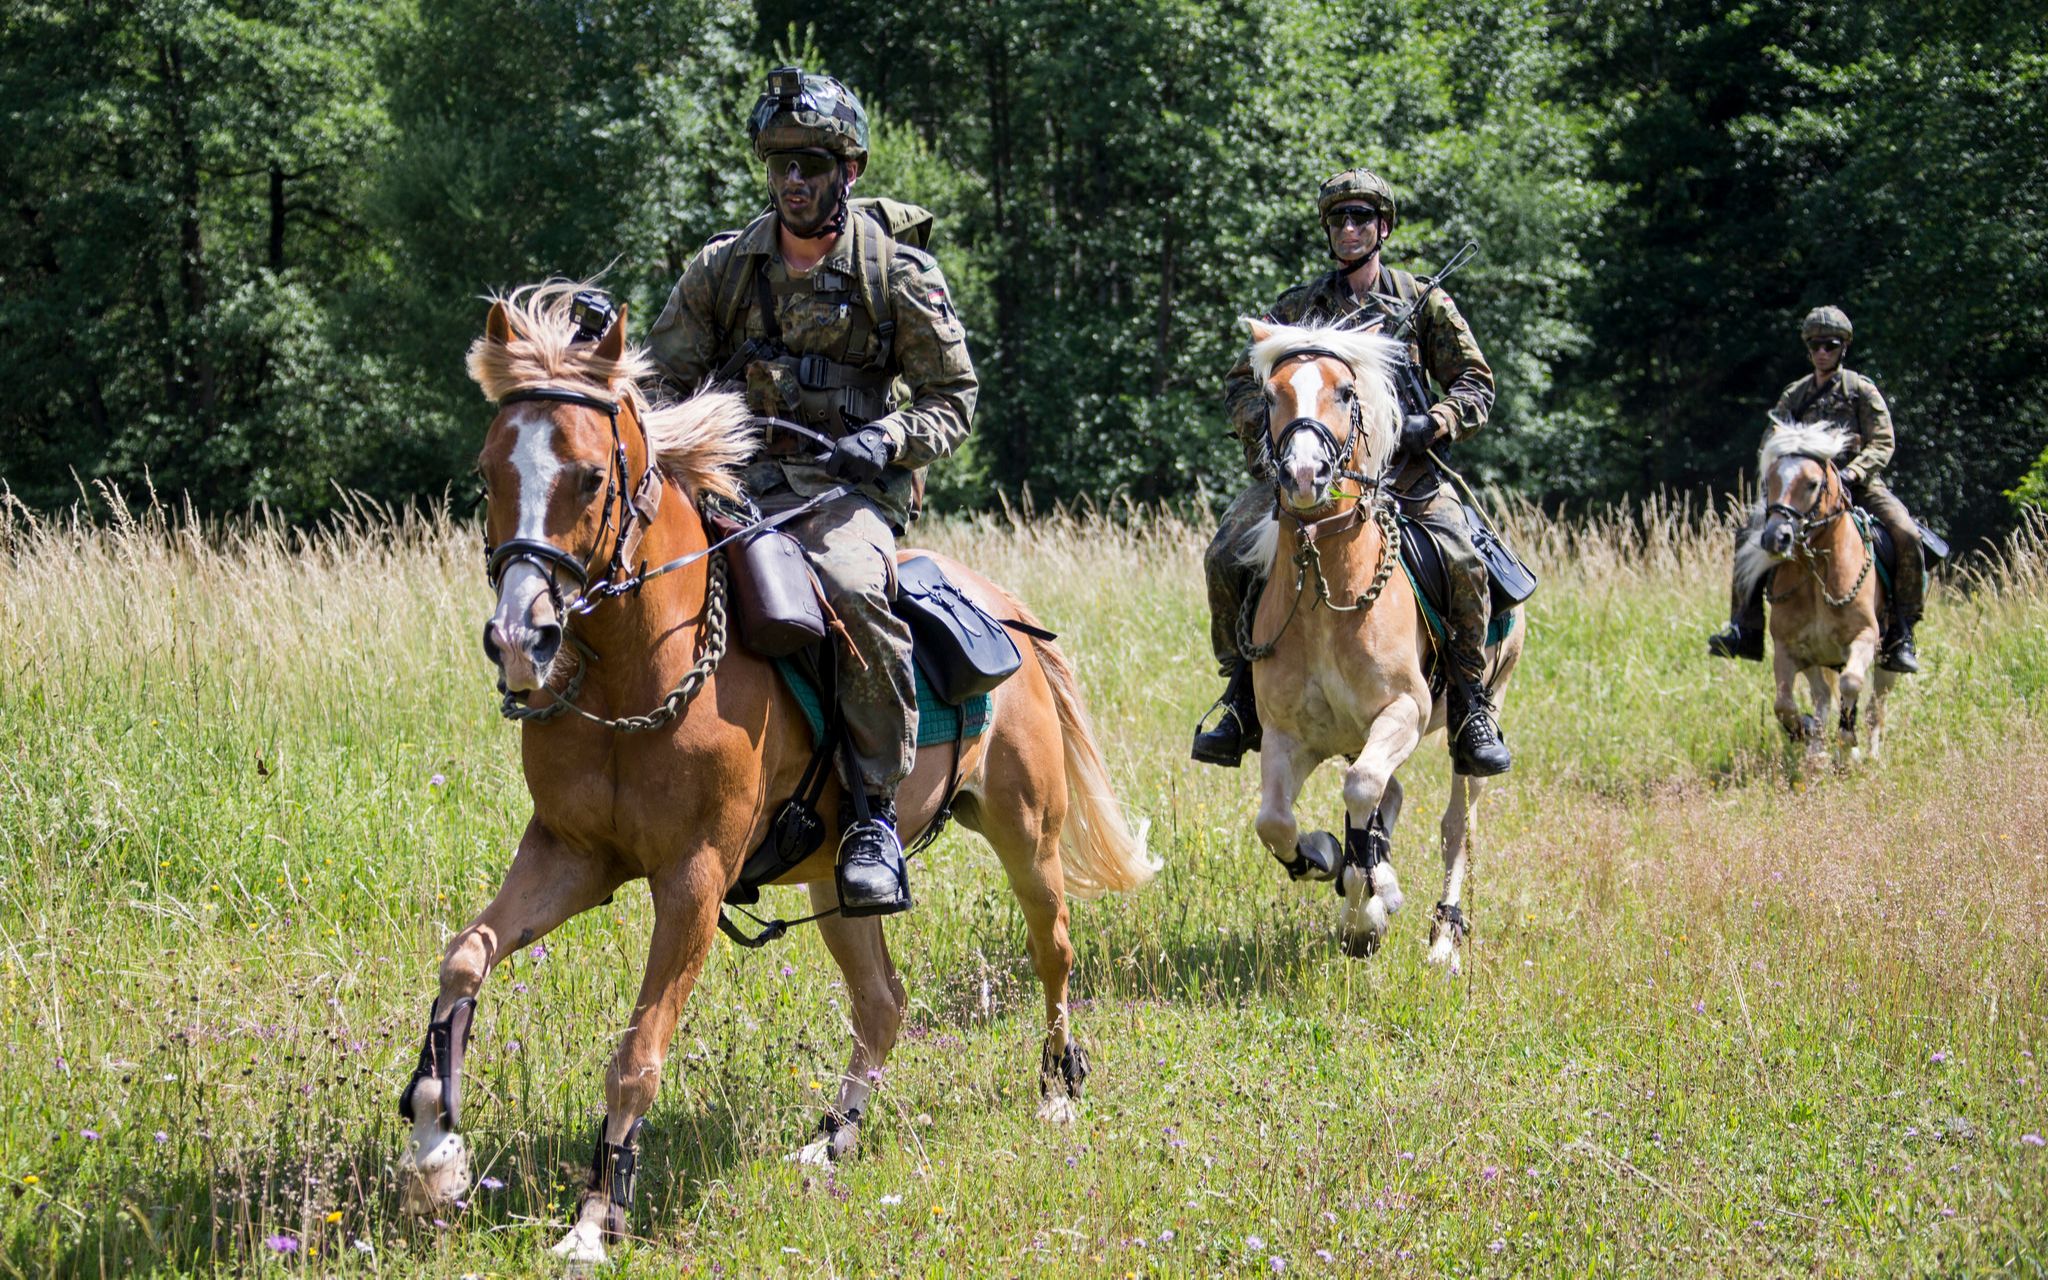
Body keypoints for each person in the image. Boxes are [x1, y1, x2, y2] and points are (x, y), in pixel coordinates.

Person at [647, 67, 978, 916]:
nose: (794, 181)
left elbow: (955, 398)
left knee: (856, 590)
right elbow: (658, 385)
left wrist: (890, 437)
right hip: (730, 485)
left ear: (848, 171)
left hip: (841, 492)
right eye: (781, 164)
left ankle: (870, 815)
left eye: (813, 165)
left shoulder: (898, 275)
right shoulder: (723, 268)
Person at [1192, 168, 1511, 777]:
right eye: (1338, 219)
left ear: (1383, 226)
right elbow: (1241, 381)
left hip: (1404, 474)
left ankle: (1470, 705)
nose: (1349, 229)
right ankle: (1239, 697)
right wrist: (1269, 438)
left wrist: (1435, 423)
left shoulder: (1424, 301)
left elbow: (1477, 384)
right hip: (1305, 472)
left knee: (1464, 556)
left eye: (1361, 217)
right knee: (1225, 552)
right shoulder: (1295, 309)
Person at [1707, 306, 1923, 672]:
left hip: (1859, 485)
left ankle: (1902, 631)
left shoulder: (1860, 390)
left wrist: (1854, 473)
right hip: (1802, 493)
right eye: (1815, 345)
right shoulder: (1795, 394)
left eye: (1830, 344)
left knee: (1907, 534)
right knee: (1748, 535)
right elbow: (1771, 442)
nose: (1822, 351)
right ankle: (1744, 627)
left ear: (1843, 348)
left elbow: (1883, 443)